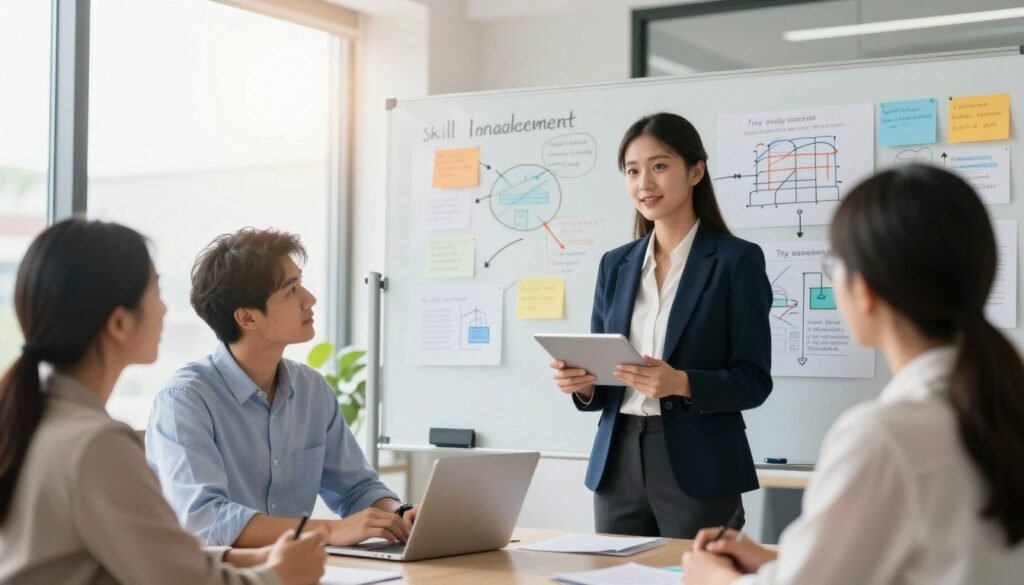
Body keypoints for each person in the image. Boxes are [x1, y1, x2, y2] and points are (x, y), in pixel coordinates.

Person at [683, 166, 1024, 584]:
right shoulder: (1002, 401)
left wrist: (714, 578)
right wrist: (777, 564)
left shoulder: (884, 437)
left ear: (863, 289)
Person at [0, 219, 325, 585]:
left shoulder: (39, 420)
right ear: (120, 323)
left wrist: (247, 558)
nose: (166, 310)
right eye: (156, 291)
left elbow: (155, 560)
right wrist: (278, 576)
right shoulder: (96, 445)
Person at [550, 112, 773, 538]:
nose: (644, 184)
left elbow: (754, 381)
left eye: (659, 166)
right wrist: (584, 386)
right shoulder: (615, 265)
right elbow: (606, 381)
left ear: (695, 171)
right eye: (632, 171)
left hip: (700, 464)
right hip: (618, 464)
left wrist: (681, 383)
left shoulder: (735, 261)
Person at [146, 228, 417, 548]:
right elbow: (205, 521)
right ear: (247, 317)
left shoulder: (312, 390)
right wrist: (329, 532)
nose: (310, 299)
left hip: (289, 572)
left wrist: (399, 513)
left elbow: (356, 489)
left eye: (300, 283)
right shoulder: (185, 400)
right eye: (291, 290)